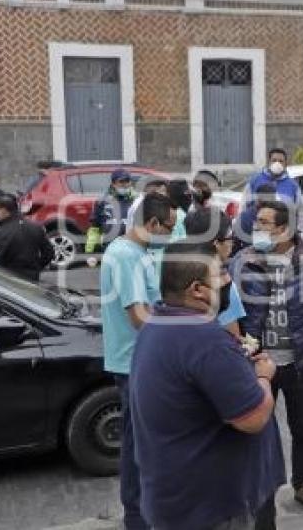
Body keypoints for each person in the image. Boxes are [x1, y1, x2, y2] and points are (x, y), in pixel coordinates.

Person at [130, 242, 284, 530]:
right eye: (221, 274)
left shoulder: (157, 323)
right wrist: (263, 375)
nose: (228, 280)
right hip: (211, 508)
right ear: (197, 289)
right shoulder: (203, 339)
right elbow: (253, 417)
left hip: (176, 498)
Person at [231, 200, 303, 514]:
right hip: (258, 363)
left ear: (284, 229)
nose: (256, 227)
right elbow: (231, 309)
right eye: (257, 221)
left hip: (299, 363)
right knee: (258, 430)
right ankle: (260, 492)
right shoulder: (245, 259)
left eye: (264, 222)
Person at [100, 193, 176, 530]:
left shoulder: (137, 251)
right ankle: (137, 518)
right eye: (168, 228)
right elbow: (139, 316)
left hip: (139, 361)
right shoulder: (126, 256)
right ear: (152, 224)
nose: (171, 235)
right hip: (133, 364)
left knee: (143, 442)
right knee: (137, 447)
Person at [184, 207, 247, 336]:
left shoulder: (176, 276)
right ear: (216, 243)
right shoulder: (223, 284)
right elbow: (233, 338)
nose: (232, 242)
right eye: (230, 237)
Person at [239, 148, 303, 239]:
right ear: (269, 162)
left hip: (282, 233)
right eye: (274, 160)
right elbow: (244, 204)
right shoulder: (255, 180)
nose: (277, 163)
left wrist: (298, 230)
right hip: (257, 231)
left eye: (281, 161)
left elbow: (299, 210)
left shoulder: (293, 185)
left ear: (286, 164)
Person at [0, 195, 54, 282]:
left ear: (3, 210)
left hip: (8, 280)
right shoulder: (36, 227)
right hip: (32, 277)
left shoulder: (0, 233)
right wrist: (36, 268)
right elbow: (49, 253)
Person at [85, 169, 138, 254]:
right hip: (109, 250)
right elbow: (95, 228)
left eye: (127, 181)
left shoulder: (137, 200)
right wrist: (90, 251)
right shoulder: (102, 201)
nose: (125, 185)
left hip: (133, 249)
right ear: (113, 184)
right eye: (121, 182)